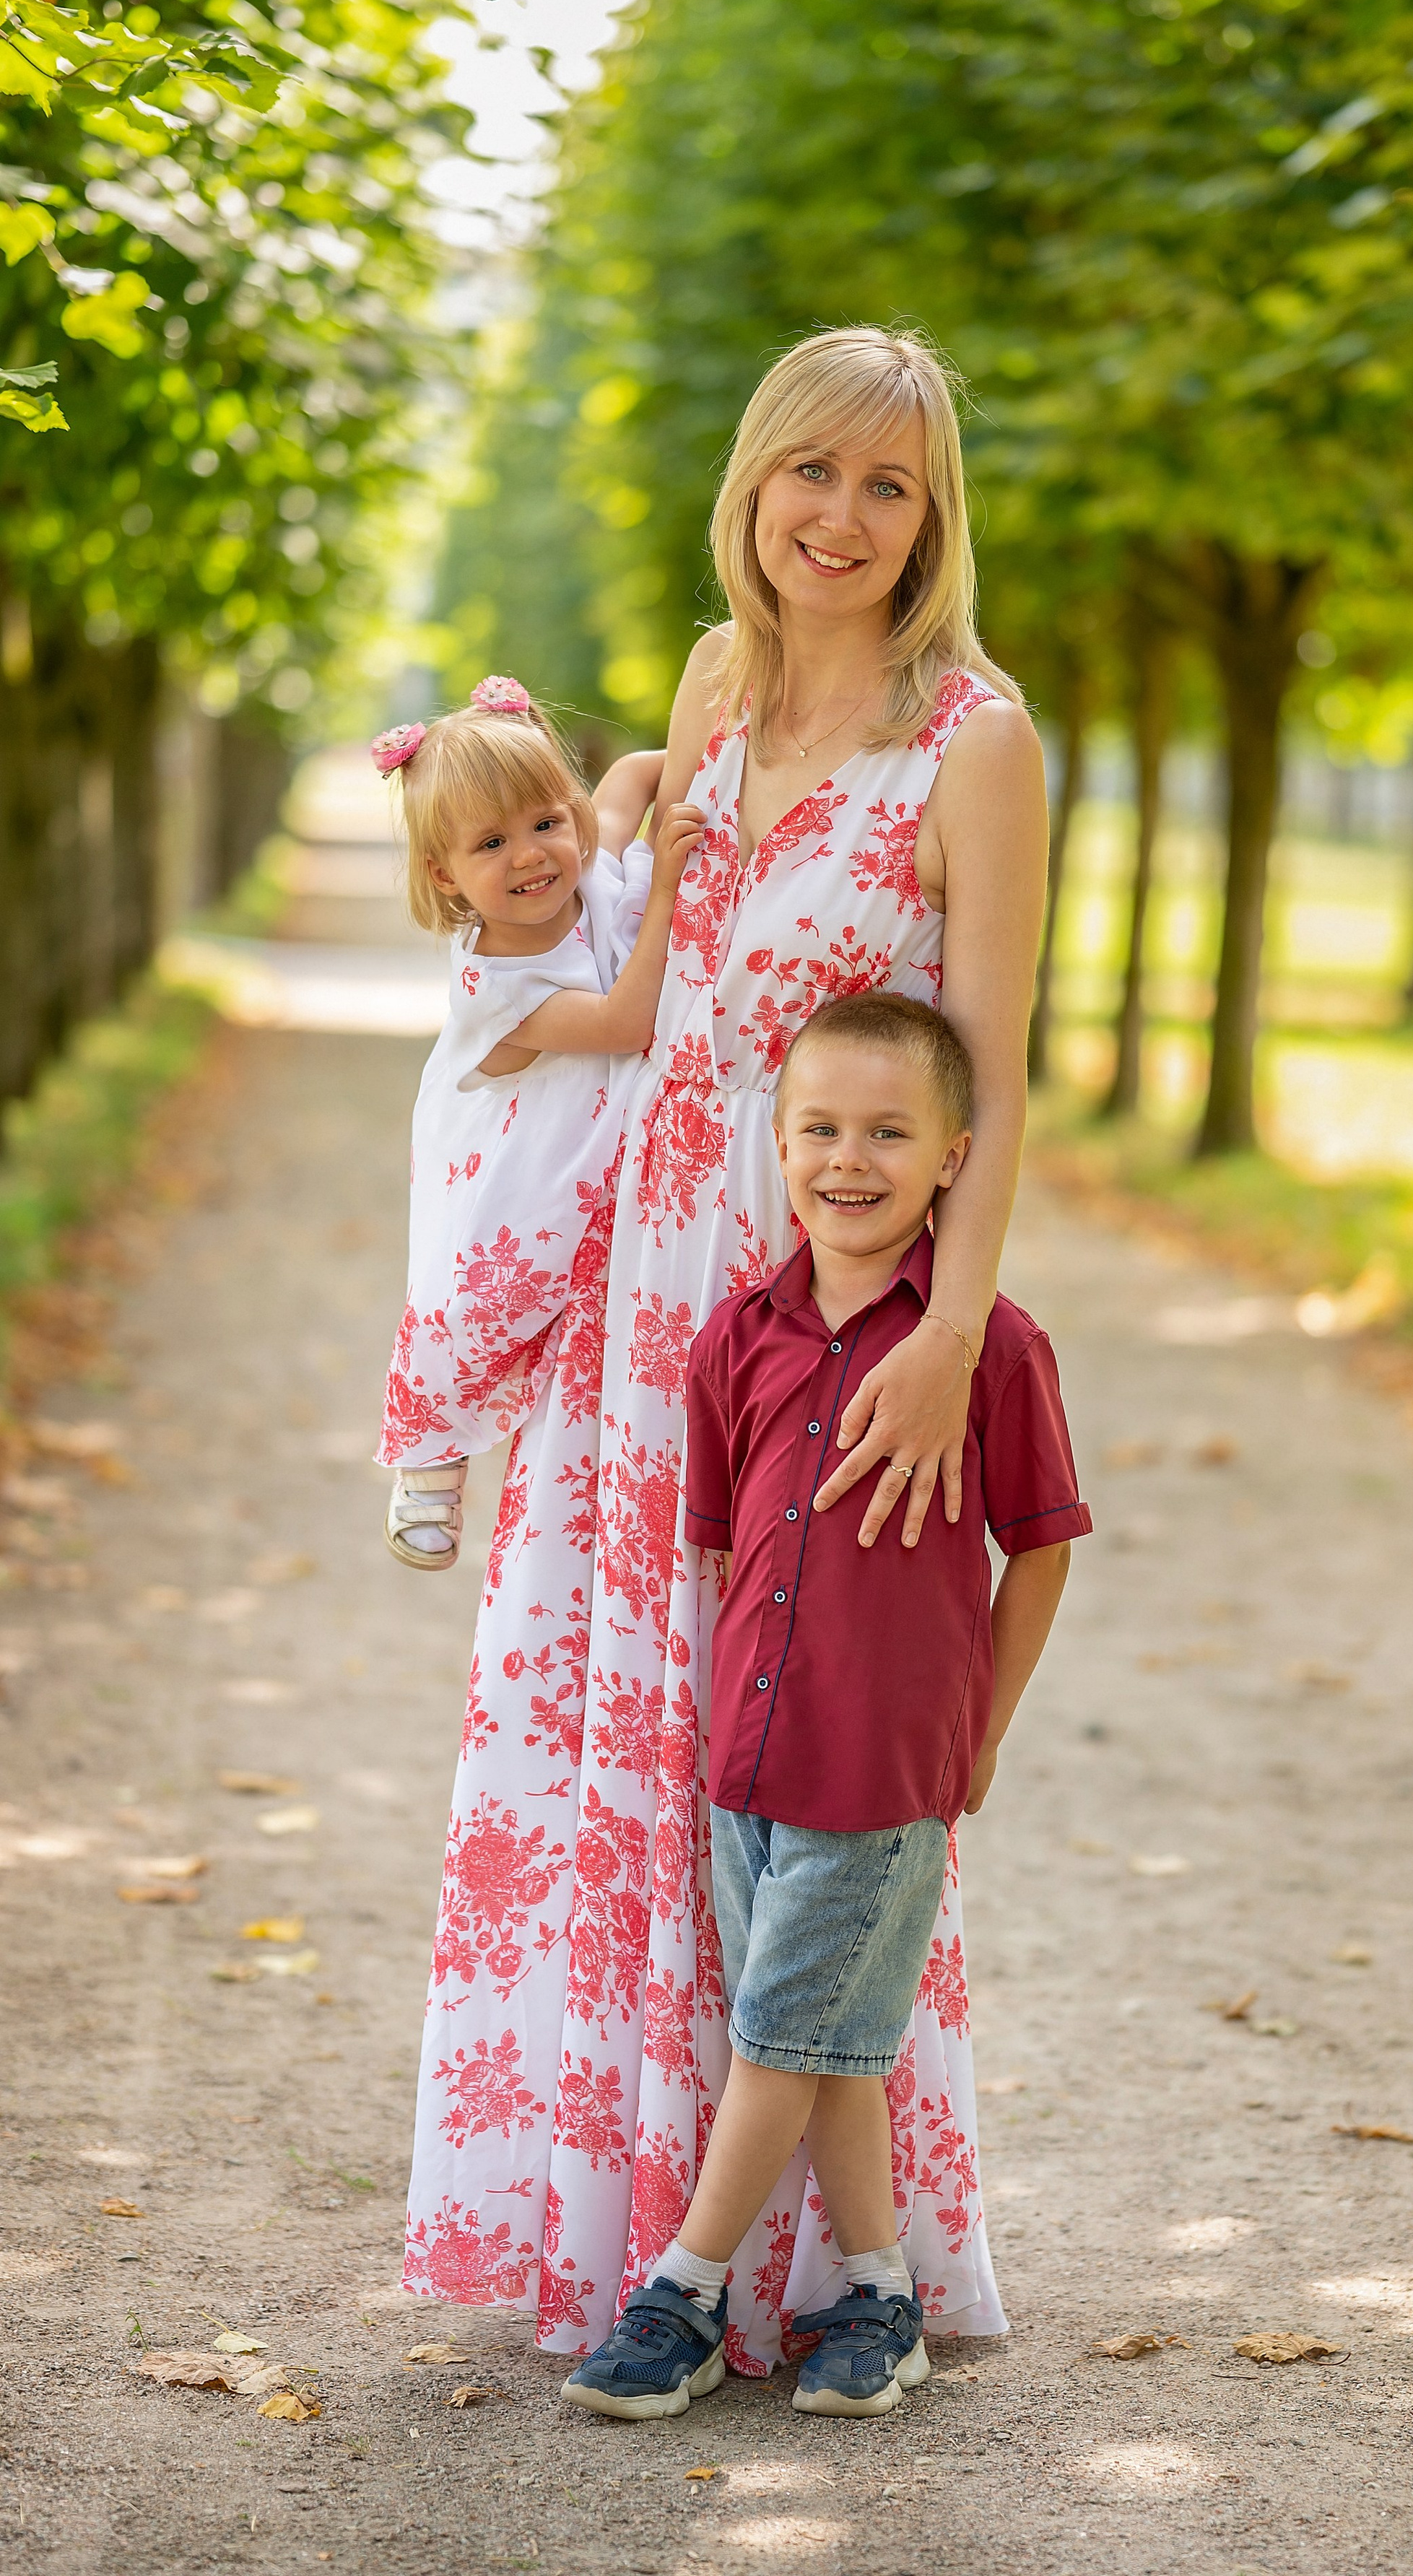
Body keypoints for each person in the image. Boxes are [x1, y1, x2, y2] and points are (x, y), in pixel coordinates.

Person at [401, 326, 1051, 2380]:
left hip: (825, 1316)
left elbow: (995, 1076)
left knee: (815, 1766)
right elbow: (640, 982)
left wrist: (948, 1336)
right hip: (640, 1313)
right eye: (810, 472)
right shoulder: (709, 684)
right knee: (642, 1745)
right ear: (754, 483)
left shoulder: (978, 745)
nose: (839, 518)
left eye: (888, 485)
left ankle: (820, 2264)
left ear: (931, 519)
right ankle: (631, 2224)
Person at [560, 994, 1088, 2421]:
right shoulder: (735, 1337)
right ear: (779, 1143)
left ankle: (680, 2294)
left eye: (889, 1132)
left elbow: (1041, 1547)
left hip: (884, 1766)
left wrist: (982, 1730)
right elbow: (728, 1550)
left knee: (781, 2038)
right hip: (749, 1754)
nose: (849, 1160)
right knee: (827, 2044)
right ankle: (878, 2296)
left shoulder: (990, 1350)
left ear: (954, 1156)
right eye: (821, 1129)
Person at [372, 675, 703, 1563]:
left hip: (584, 1151)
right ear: (445, 873)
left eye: (546, 821)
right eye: (491, 842)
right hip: (508, 1169)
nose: (530, 855)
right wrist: (665, 892)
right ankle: (428, 1457)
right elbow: (624, 1023)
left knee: (572, 1306)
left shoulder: (589, 868)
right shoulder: (494, 981)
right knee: (471, 1304)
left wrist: (731, 764)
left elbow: (632, 775)